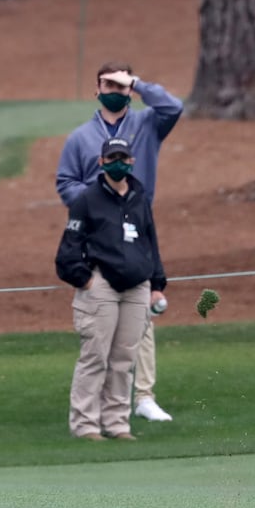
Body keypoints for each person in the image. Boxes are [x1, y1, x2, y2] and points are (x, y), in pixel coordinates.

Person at [56, 61, 183, 423]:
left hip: (138, 225)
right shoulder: (80, 137)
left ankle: (143, 395)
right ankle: (95, 405)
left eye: (121, 84)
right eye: (107, 84)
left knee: (139, 312)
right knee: (101, 316)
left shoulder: (148, 124)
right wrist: (100, 203)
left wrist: (138, 82)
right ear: (95, 90)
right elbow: (65, 182)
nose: (114, 90)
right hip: (95, 233)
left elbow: (173, 106)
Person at [54, 137, 166, 441]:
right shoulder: (87, 200)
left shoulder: (139, 197)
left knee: (124, 359)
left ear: (131, 161)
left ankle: (117, 424)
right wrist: (86, 280)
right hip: (101, 285)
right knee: (95, 357)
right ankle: (86, 425)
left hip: (137, 287)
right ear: (102, 163)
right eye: (112, 157)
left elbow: (150, 242)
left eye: (123, 157)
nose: (118, 162)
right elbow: (68, 250)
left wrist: (157, 283)